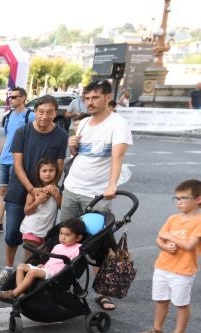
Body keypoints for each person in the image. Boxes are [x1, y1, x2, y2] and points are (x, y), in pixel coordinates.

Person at [61, 79, 133, 311]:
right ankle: (63, 282)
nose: (90, 102)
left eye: (95, 98)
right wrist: (72, 145)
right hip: (73, 188)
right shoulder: (82, 123)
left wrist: (111, 186)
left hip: (97, 194)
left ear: (107, 97)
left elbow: (117, 158)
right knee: (66, 239)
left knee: (98, 244)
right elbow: (77, 154)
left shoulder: (117, 124)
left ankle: (102, 292)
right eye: (87, 98)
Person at [0, 95, 68, 284]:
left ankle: (26, 270)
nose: (44, 116)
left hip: (44, 193)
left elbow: (59, 165)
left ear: (55, 113)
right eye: (41, 112)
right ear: (35, 112)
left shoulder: (61, 135)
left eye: (49, 112)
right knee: (12, 234)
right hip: (20, 189)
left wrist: (49, 187)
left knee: (35, 237)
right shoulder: (22, 132)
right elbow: (17, 165)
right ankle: (8, 269)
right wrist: (31, 189)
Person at [138, 179, 201, 333]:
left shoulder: (198, 221)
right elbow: (159, 239)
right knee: (161, 300)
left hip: (183, 270)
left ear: (198, 199)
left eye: (184, 198)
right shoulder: (173, 218)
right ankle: (157, 329)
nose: (179, 202)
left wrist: (171, 238)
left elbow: (189, 245)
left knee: (181, 303)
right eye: (177, 199)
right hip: (163, 266)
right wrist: (165, 245)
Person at [0, 88, 34, 240]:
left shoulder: (30, 116)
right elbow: (6, 138)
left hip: (18, 161)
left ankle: (20, 226)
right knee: (2, 192)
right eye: (9, 97)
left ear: (23, 98)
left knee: (15, 194)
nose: (10, 99)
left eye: (13, 97)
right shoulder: (9, 116)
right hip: (5, 159)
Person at [0, 218, 85, 300]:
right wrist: (43, 265)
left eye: (67, 235)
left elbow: (72, 265)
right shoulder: (58, 246)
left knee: (32, 272)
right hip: (46, 269)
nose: (63, 237)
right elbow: (52, 260)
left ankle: (14, 293)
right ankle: (20, 292)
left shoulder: (78, 248)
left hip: (56, 273)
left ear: (78, 238)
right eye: (61, 233)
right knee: (21, 266)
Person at [20, 158, 63, 259]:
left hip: (46, 232)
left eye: (51, 170)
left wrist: (56, 194)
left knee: (41, 261)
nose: (47, 174)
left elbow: (61, 206)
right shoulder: (34, 191)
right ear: (38, 173)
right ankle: (21, 274)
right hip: (32, 229)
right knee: (29, 259)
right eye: (44, 171)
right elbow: (27, 211)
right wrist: (38, 201)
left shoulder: (56, 189)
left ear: (56, 172)